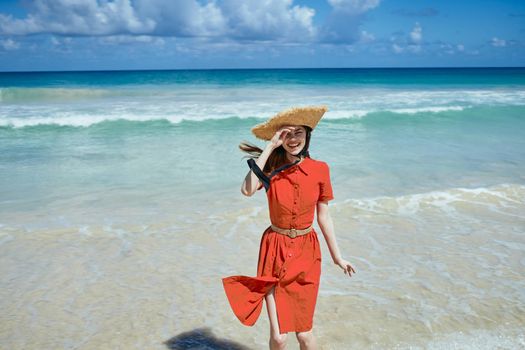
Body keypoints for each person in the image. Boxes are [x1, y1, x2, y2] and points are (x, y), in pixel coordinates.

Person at [222, 105, 356, 350]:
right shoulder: (271, 169)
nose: (293, 139)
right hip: (275, 250)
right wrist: (271, 146)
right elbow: (247, 190)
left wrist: (338, 257)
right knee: (280, 337)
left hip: (307, 253)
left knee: (304, 334)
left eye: (298, 133)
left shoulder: (320, 169)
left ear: (308, 136)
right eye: (287, 134)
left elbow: (324, 216)